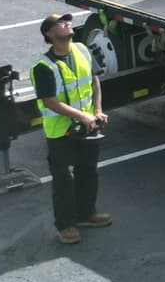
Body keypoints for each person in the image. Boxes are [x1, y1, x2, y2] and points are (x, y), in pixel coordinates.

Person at [32, 13, 110, 245]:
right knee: (64, 179)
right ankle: (65, 225)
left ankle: (86, 214)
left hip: (87, 126)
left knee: (88, 171)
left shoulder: (82, 50)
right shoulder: (43, 66)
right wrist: (81, 116)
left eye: (67, 21)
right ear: (49, 34)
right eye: (60, 23)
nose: (67, 23)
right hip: (60, 133)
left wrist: (97, 111)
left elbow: (94, 81)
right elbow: (49, 102)